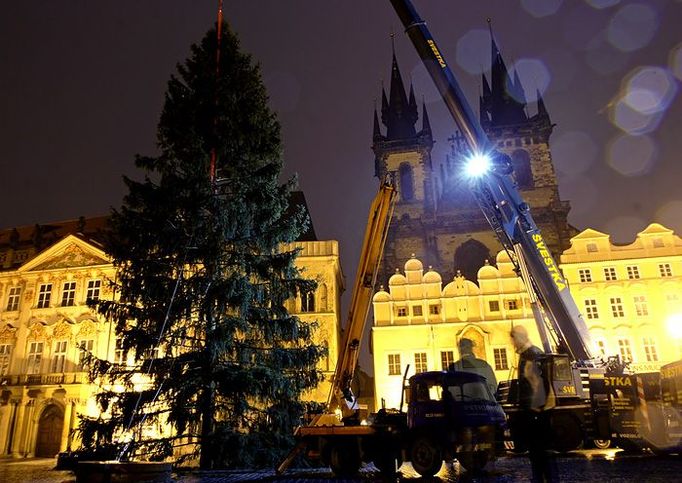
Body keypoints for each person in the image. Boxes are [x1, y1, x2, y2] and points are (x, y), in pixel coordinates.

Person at [510, 325, 558, 482]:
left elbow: (539, 384)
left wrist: (535, 410)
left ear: (520, 338)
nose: (513, 343)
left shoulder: (532, 355)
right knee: (538, 453)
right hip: (536, 411)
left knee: (542, 453)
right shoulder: (528, 354)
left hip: (538, 412)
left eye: (514, 338)